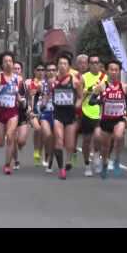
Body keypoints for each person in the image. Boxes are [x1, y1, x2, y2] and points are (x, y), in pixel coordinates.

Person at [90, 60, 127, 179]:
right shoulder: (101, 86)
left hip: (119, 118)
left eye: (116, 70)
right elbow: (91, 101)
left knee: (119, 136)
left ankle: (117, 159)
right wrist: (99, 101)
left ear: (119, 72)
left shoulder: (124, 87)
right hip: (105, 119)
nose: (113, 72)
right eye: (111, 69)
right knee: (105, 146)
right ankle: (105, 164)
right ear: (107, 71)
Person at [0, 51, 22, 175]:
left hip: (12, 112)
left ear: (13, 63)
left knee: (10, 136)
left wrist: (20, 100)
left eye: (10, 61)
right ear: (2, 64)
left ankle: (7, 165)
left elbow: (19, 94)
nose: (8, 63)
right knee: (0, 142)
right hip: (0, 112)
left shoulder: (18, 79)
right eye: (5, 61)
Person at [51, 52, 83, 180]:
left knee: (69, 145)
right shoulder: (53, 81)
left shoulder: (75, 81)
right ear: (57, 65)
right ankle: (61, 169)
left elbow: (81, 97)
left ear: (69, 66)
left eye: (65, 64)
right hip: (58, 113)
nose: (62, 66)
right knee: (59, 139)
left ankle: (68, 160)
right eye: (60, 63)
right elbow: (48, 96)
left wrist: (77, 105)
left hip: (71, 115)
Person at [81, 55, 108, 176]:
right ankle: (87, 164)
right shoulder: (84, 77)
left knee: (97, 136)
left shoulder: (105, 77)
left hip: (100, 112)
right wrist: (93, 89)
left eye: (97, 62)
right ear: (88, 64)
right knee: (86, 140)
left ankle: (96, 155)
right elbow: (81, 94)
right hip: (86, 111)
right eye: (92, 63)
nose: (94, 65)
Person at [26, 63, 46, 167]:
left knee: (43, 132)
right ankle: (36, 151)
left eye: (43, 70)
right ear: (34, 71)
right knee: (38, 129)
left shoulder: (48, 83)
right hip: (33, 111)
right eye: (38, 69)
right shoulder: (29, 82)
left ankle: (39, 153)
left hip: (44, 111)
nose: (41, 72)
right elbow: (27, 96)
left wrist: (42, 89)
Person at [39, 62, 57, 173]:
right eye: (49, 70)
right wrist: (42, 104)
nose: (51, 72)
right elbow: (44, 98)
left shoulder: (62, 82)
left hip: (58, 114)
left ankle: (50, 161)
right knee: (47, 135)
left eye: (53, 70)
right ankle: (48, 153)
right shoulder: (43, 84)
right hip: (46, 113)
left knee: (54, 139)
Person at [12, 61, 29, 170]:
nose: (16, 70)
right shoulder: (6, 82)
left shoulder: (24, 84)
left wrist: (29, 107)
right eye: (14, 68)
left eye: (18, 69)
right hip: (11, 113)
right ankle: (16, 161)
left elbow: (29, 97)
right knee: (12, 139)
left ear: (21, 70)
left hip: (22, 113)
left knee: (21, 141)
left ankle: (20, 145)